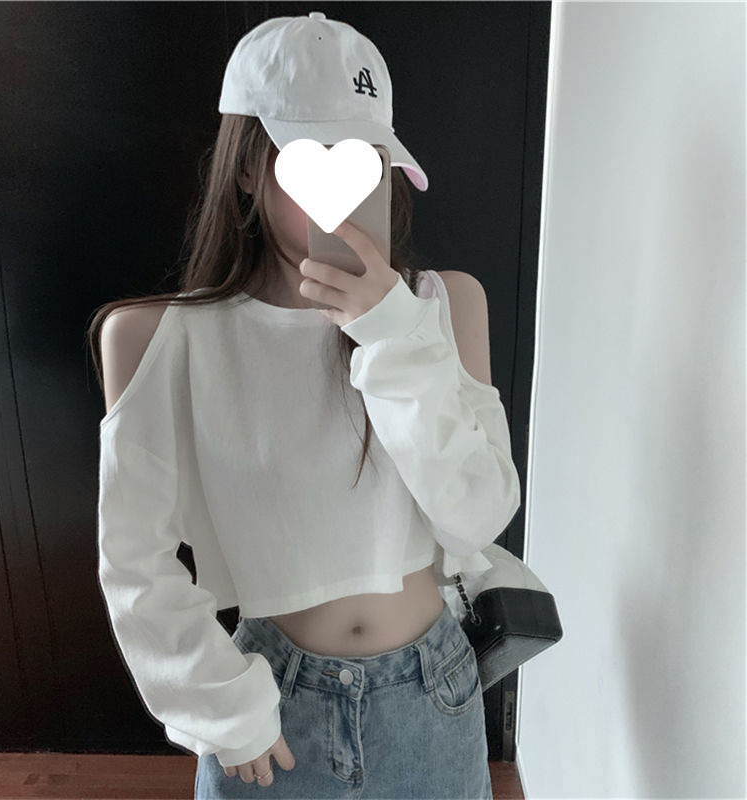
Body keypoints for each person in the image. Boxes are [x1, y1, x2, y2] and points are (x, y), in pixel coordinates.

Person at [91, 11, 520, 799]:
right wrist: (223, 707)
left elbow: (477, 515)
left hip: (433, 700)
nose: (342, 193)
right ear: (248, 169)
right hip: (272, 712)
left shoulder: (443, 307)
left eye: (365, 161)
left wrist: (391, 333)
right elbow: (134, 561)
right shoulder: (162, 340)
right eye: (312, 159)